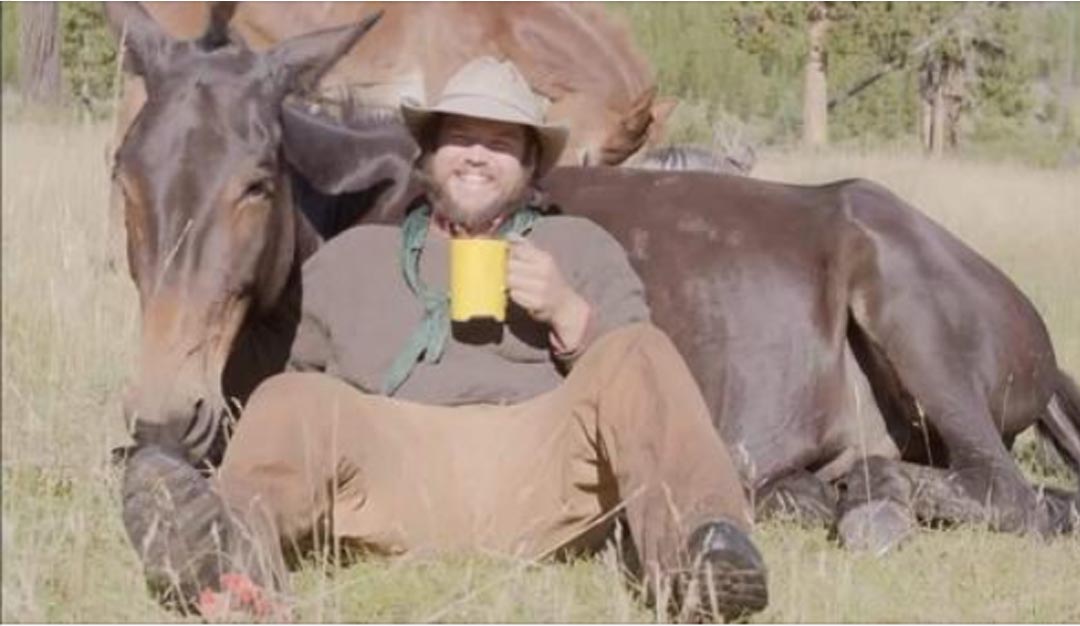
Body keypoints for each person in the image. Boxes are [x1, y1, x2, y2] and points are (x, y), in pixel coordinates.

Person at [121, 57, 768, 621]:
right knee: (293, 398)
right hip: (392, 468)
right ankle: (227, 554)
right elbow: (263, 379)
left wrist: (571, 312)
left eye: (501, 142)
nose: (477, 156)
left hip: (544, 471)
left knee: (639, 350)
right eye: (459, 137)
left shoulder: (576, 247)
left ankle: (699, 556)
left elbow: (643, 391)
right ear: (427, 154)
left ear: (531, 161)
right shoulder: (356, 260)